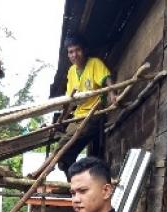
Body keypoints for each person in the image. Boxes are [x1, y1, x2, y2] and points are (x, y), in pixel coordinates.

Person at [36, 36, 117, 180]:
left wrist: (112, 94)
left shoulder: (94, 63)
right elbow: (70, 100)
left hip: (94, 113)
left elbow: (106, 78)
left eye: (77, 50)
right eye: (71, 52)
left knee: (63, 144)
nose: (74, 55)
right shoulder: (71, 71)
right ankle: (75, 182)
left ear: (83, 50)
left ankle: (40, 171)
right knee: (64, 159)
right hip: (78, 115)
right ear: (68, 54)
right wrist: (62, 119)